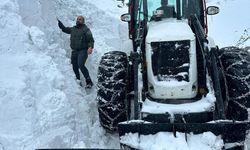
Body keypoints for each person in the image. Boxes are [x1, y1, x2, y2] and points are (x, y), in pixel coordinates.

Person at [57, 16, 94, 88]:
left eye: (80, 19)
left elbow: (91, 40)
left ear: (83, 21)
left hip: (83, 51)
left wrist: (90, 47)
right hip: (74, 51)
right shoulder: (73, 29)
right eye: (77, 19)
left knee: (81, 64)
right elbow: (64, 29)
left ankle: (89, 81)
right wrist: (58, 22)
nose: (78, 20)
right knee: (74, 66)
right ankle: (78, 81)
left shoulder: (86, 30)